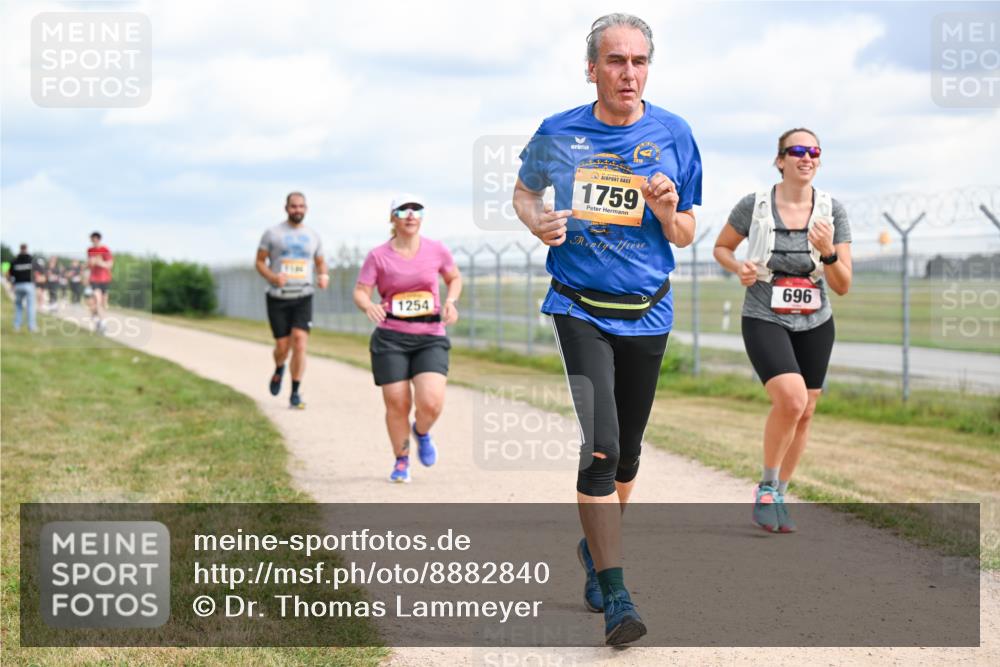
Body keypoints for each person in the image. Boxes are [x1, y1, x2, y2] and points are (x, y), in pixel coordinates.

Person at [512, 13, 702, 646]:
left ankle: (595, 550)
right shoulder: (558, 132)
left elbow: (686, 233)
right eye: (616, 61)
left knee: (630, 453)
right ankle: (619, 595)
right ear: (591, 67)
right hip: (579, 306)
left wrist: (670, 211)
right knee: (602, 448)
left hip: (648, 309)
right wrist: (538, 222)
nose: (629, 73)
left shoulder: (674, 133)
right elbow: (522, 195)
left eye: (640, 61)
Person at [712, 128, 852, 533]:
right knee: (790, 400)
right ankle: (767, 488)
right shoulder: (754, 205)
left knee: (806, 411)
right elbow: (722, 247)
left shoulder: (831, 210)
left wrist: (827, 251)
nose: (806, 157)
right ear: (780, 160)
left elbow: (843, 284)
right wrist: (739, 267)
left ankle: (780, 495)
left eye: (814, 151)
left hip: (816, 320)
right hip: (764, 312)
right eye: (797, 151)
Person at [353, 194, 462, 484]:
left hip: (430, 336)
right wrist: (368, 305)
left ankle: (422, 432)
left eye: (417, 209)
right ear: (393, 218)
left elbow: (454, 278)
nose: (411, 214)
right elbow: (361, 290)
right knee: (397, 403)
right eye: (403, 210)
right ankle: (401, 460)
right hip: (391, 338)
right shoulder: (378, 256)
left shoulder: (436, 250)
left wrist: (451, 301)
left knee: (431, 403)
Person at [256, 192, 329, 409]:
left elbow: (320, 262)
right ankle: (279, 366)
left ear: (306, 208)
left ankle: (295, 392)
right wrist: (272, 277)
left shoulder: (313, 235)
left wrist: (323, 275)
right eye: (293, 206)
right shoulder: (272, 233)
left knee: (299, 341)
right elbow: (259, 262)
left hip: (303, 295)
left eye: (301, 206)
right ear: (286, 208)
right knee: (282, 346)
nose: (298, 210)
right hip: (278, 297)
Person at [87, 231, 114, 333]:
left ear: (99, 239)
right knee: (97, 300)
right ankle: (103, 324)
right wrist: (90, 263)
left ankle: (96, 318)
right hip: (94, 279)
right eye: (92, 240)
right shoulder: (90, 250)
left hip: (105, 279)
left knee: (103, 304)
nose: (93, 241)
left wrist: (99, 262)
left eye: (95, 239)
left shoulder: (105, 249)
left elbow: (110, 265)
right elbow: (90, 264)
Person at [8, 244, 38, 332]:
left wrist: (12, 284)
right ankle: (32, 327)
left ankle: (16, 326)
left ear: (20, 249)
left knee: (18, 306)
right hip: (29, 285)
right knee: (30, 306)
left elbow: (9, 274)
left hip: (18, 285)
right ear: (26, 249)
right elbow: (37, 272)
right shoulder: (31, 259)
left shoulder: (15, 261)